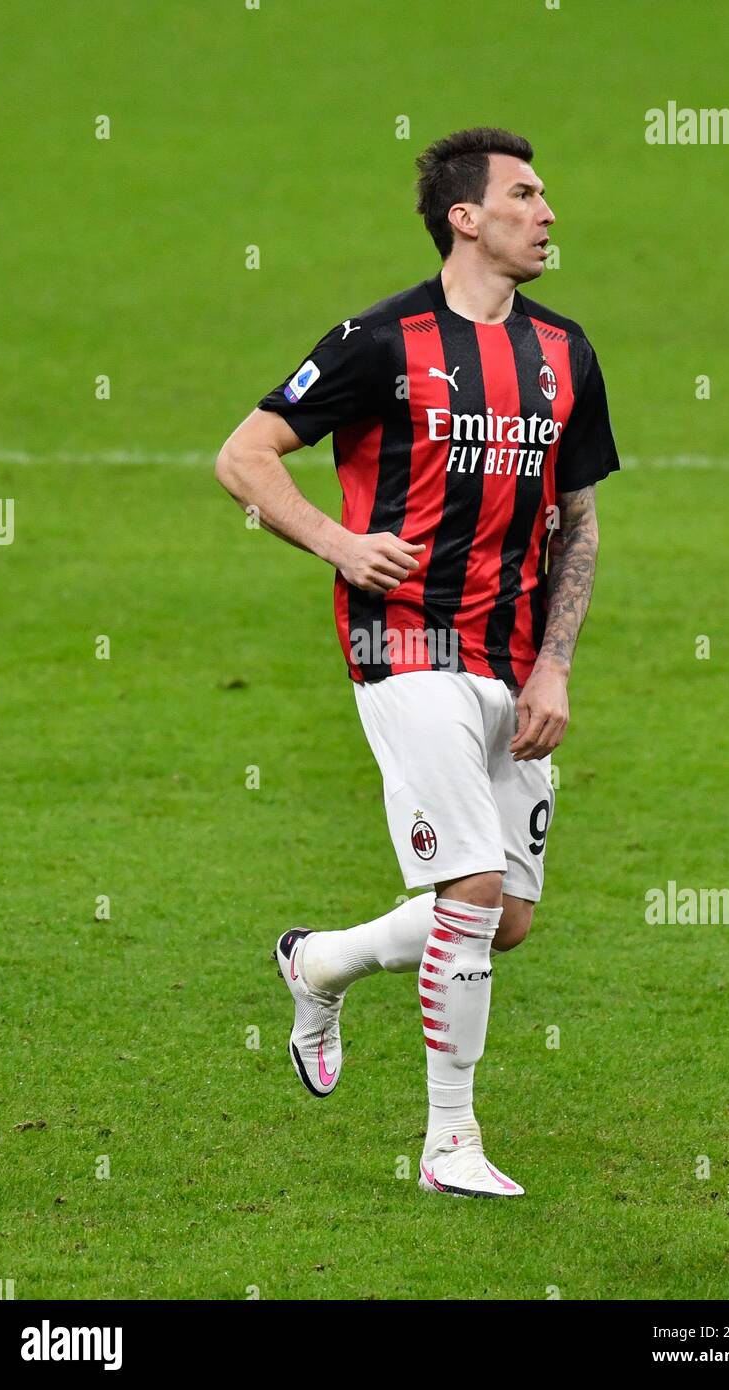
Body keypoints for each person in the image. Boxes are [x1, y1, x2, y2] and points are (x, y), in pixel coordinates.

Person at [215, 126, 620, 1198]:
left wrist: (555, 667)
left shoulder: (564, 352)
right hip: (403, 645)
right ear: (465, 217)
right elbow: (242, 453)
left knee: (506, 919)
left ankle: (320, 963)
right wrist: (340, 544)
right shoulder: (380, 341)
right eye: (525, 196)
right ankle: (448, 1144)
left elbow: (576, 523)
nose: (546, 213)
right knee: (474, 884)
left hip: (514, 657)